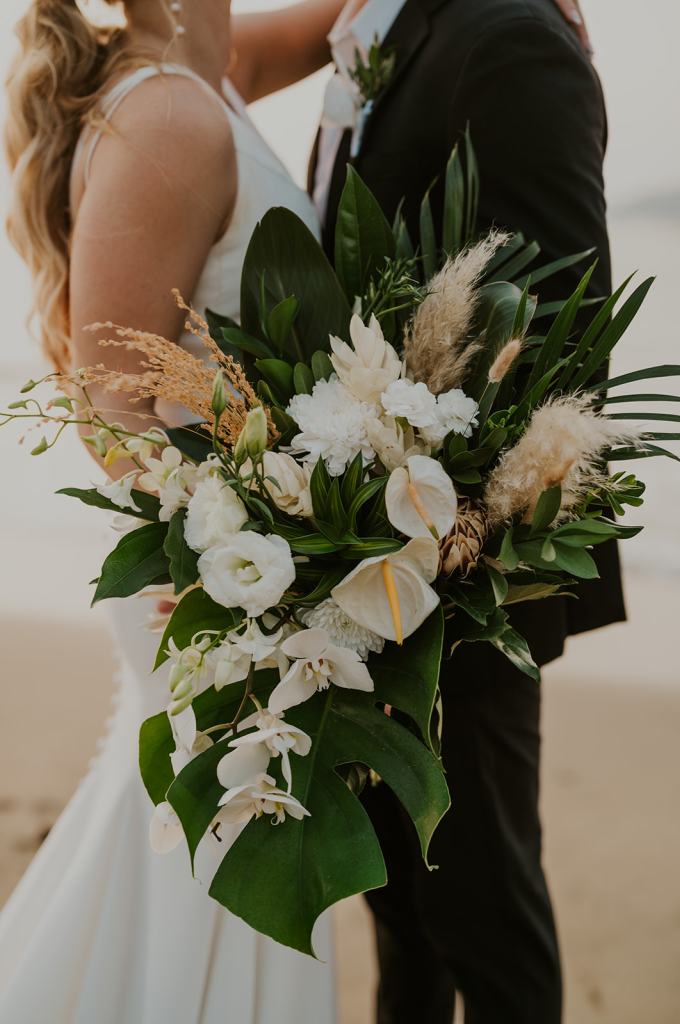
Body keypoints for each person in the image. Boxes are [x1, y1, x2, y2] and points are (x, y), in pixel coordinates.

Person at [0, 1, 345, 1021]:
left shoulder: (207, 64)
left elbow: (332, 22)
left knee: (190, 880)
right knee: (217, 882)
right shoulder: (166, 115)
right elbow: (110, 408)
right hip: (214, 589)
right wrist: (261, 541)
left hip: (243, 579)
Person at [310, 0, 620, 1021]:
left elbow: (565, 345)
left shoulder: (507, 34)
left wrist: (450, 565)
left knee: (489, 936)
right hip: (369, 586)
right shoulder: (394, 25)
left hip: (463, 602)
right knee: (403, 921)